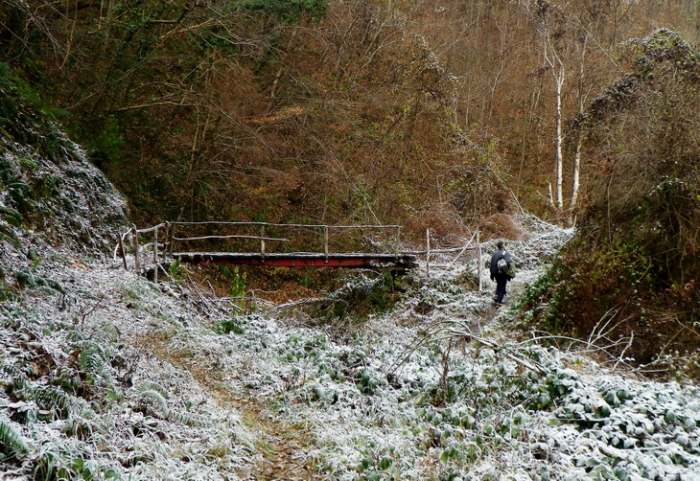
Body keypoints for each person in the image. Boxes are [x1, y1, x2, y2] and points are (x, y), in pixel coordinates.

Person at [489, 240, 513, 305]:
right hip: (502, 272)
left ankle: (497, 295)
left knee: (499, 284)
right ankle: (499, 301)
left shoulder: (494, 254)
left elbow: (492, 264)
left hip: (495, 273)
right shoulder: (505, 253)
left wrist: (492, 274)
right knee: (502, 285)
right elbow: (509, 262)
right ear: (503, 246)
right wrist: (510, 273)